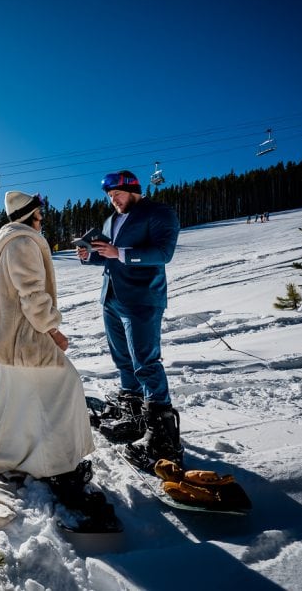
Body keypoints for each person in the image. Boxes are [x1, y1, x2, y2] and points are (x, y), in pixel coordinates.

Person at [0, 190, 117, 531]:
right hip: (25, 340)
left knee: (17, 399)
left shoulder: (13, 241)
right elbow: (32, 295)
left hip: (9, 341)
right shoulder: (22, 243)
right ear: (27, 218)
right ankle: (60, 470)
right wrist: (53, 331)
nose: (43, 221)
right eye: (39, 216)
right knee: (63, 389)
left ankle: (22, 455)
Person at [76, 170, 183, 469]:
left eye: (117, 195)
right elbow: (108, 255)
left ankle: (163, 439)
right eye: (110, 197)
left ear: (133, 189)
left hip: (142, 299)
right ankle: (133, 415)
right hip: (111, 298)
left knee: (146, 362)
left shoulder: (159, 212)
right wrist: (90, 255)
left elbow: (164, 252)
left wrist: (119, 251)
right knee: (123, 359)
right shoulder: (111, 220)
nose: (114, 201)